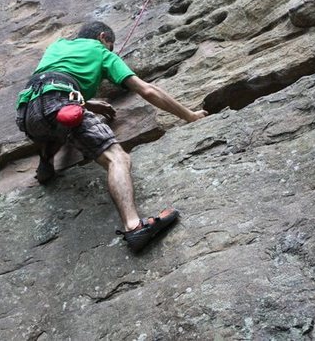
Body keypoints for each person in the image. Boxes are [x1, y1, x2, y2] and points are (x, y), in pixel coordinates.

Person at [16, 21, 207, 251]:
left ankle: (46, 162)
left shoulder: (57, 46)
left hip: (27, 111)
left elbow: (52, 83)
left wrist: (87, 103)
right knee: (118, 158)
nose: (110, 51)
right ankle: (134, 227)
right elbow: (146, 90)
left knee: (59, 122)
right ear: (103, 37)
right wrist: (190, 115)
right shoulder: (101, 51)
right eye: (110, 46)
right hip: (60, 102)